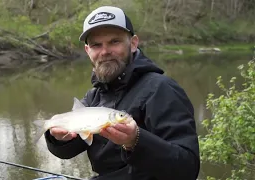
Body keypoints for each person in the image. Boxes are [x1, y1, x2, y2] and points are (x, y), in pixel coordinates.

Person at [44, 6, 200, 180]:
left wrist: (136, 141)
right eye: (96, 45)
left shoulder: (162, 89)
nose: (105, 52)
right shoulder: (94, 97)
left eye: (114, 42)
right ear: (88, 51)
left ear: (133, 44)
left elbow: (187, 168)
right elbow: (68, 151)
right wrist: (58, 139)